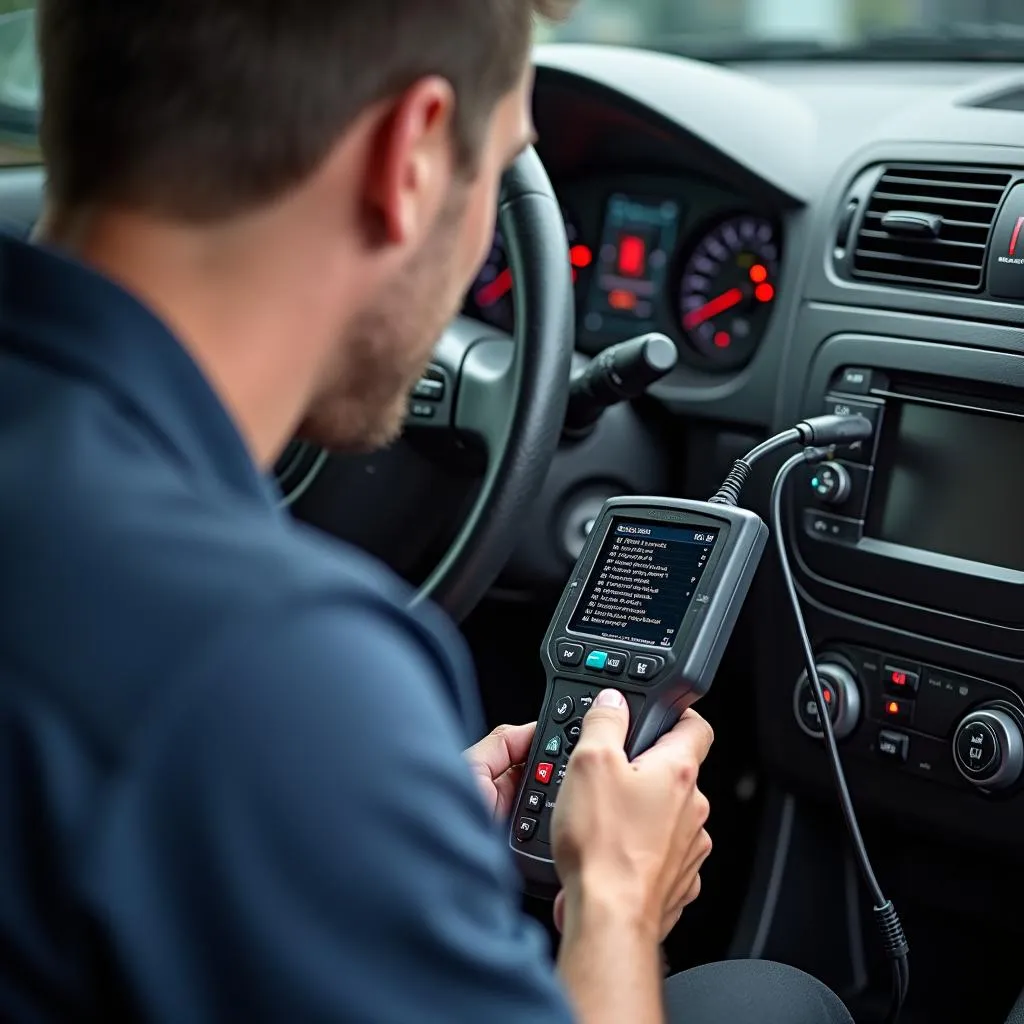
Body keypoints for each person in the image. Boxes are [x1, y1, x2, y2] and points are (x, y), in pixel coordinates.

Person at [0, 1, 853, 1022]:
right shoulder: (276, 665)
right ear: (407, 157)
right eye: (495, 173)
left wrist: (365, 810)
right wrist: (614, 902)